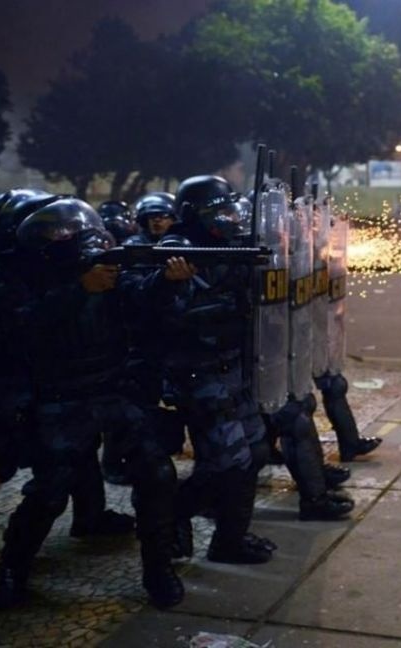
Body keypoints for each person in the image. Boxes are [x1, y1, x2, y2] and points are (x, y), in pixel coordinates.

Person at [0, 198, 185, 609]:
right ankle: (11, 570)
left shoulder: (109, 273)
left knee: (157, 472)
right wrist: (77, 291)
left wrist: (166, 283)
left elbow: (141, 299)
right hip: (60, 397)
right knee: (50, 490)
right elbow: (18, 329)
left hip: (112, 389)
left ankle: (158, 570)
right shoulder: (24, 278)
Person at [159, 175, 276, 563]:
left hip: (233, 368)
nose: (228, 218)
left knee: (255, 451)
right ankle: (173, 518)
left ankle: (230, 537)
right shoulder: (176, 250)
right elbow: (176, 315)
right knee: (226, 463)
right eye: (219, 211)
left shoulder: (227, 245)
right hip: (199, 372)